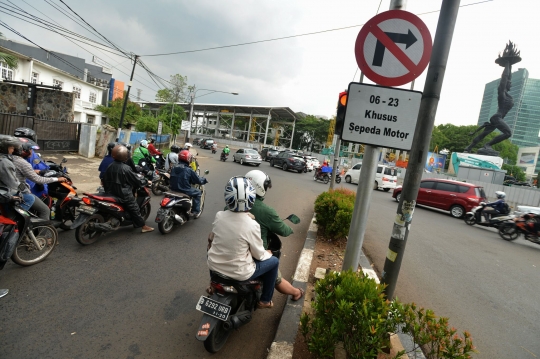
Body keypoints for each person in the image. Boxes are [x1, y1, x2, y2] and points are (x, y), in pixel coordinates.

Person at [207, 176, 279, 309]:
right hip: (240, 273)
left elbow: (214, 237)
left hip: (214, 267)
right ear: (251, 199)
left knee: (210, 248)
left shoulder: (219, 215)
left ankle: (212, 285)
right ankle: (265, 300)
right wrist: (268, 253)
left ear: (227, 197)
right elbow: (259, 255)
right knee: (274, 262)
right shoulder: (252, 224)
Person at [245, 170, 304, 301]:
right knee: (274, 267)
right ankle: (291, 294)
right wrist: (290, 230)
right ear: (260, 187)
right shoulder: (266, 211)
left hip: (228, 253)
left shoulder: (231, 206)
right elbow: (283, 230)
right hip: (252, 257)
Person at [102, 145, 154, 233]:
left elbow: (104, 179)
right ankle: (143, 226)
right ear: (125, 156)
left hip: (110, 191)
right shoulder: (125, 168)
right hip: (123, 193)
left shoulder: (110, 165)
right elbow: (136, 180)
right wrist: (146, 182)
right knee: (135, 208)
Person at [12, 143, 68, 220]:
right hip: (19, 192)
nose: (32, 151)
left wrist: (33, 171)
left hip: (8, 190)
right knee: (45, 210)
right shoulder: (23, 163)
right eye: (30, 149)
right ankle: (42, 231)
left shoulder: (7, 159)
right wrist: (57, 179)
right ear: (24, 151)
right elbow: (39, 180)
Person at [0, 137, 35, 213]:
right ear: (5, 148)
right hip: (3, 191)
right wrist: (26, 191)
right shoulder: (5, 162)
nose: (12, 150)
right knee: (30, 198)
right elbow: (13, 183)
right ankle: (14, 219)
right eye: (11, 148)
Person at [169, 150, 207, 217]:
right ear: (188, 159)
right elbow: (197, 180)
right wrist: (204, 180)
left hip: (172, 188)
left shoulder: (174, 167)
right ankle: (195, 211)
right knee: (198, 193)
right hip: (184, 190)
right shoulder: (189, 170)